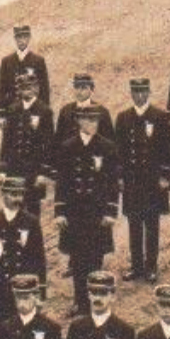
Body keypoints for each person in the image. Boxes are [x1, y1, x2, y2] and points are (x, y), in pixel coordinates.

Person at [54, 105, 121, 316]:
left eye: (95, 121)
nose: (91, 124)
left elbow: (112, 182)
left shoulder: (108, 147)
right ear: (79, 122)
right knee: (77, 258)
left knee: (95, 258)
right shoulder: (67, 146)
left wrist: (111, 211)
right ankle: (79, 302)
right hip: (74, 212)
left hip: (97, 212)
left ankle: (96, 302)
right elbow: (62, 181)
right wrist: (60, 211)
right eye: (87, 120)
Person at [116, 77, 170, 282]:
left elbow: (168, 150)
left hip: (152, 183)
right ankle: (136, 266)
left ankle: (151, 266)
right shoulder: (123, 118)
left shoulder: (159, 117)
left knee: (152, 225)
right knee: (134, 225)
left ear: (148, 92)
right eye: (135, 92)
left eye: (143, 91)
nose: (139, 96)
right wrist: (120, 177)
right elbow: (119, 152)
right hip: (132, 181)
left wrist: (165, 177)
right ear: (131, 93)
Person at [0, 175, 47, 325]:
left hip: (23, 289)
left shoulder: (31, 222)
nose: (18, 199)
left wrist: (40, 291)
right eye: (13, 194)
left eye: (20, 194)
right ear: (4, 195)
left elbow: (39, 257)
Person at [0, 71, 54, 219]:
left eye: (30, 87)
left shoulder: (44, 111)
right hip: (14, 169)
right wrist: (3, 169)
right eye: (23, 88)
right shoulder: (13, 109)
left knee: (33, 213)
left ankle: (33, 242)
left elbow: (49, 145)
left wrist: (43, 173)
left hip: (34, 172)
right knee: (13, 211)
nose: (26, 91)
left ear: (36, 88)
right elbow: (6, 142)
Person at [0, 26, 51, 122]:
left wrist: (41, 114)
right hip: (12, 110)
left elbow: (44, 89)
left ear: (29, 38)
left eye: (24, 37)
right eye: (19, 38)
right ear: (15, 39)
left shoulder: (38, 61)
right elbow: (2, 89)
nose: (21, 41)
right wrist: (0, 114)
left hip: (33, 110)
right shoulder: (7, 61)